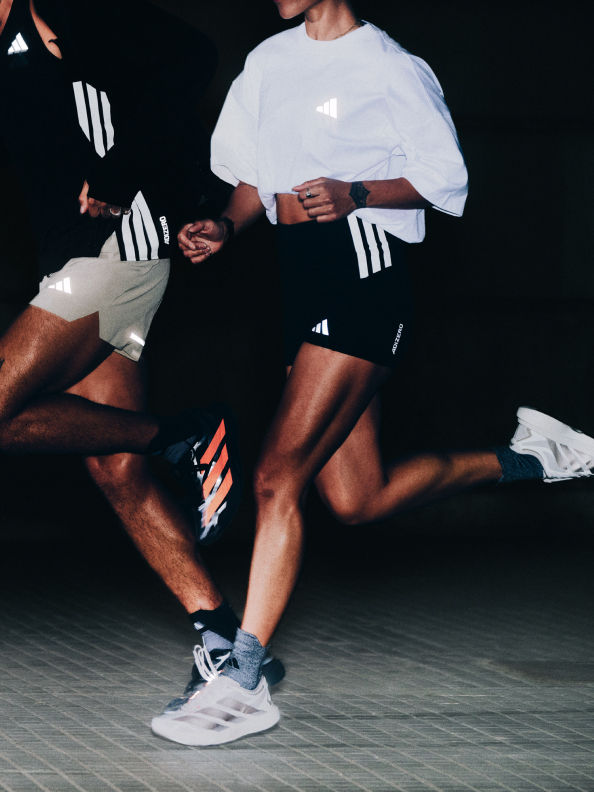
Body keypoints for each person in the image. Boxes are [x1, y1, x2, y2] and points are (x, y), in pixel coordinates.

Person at [151, 0, 594, 746]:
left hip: (363, 274)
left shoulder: (389, 66)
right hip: (299, 284)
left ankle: (245, 679)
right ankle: (533, 456)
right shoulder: (269, 62)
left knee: (274, 476)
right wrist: (226, 224)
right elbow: (257, 180)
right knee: (359, 498)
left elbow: (444, 178)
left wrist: (360, 191)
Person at [0, 0, 285, 707]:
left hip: (114, 252)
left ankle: (184, 435)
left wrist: (123, 173)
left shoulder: (55, 11)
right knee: (115, 467)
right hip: (71, 264)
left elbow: (188, 57)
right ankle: (222, 634)